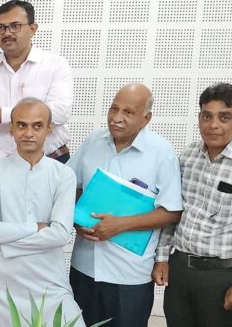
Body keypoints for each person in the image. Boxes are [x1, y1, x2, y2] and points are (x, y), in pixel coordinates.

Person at [156, 83, 232, 327]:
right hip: (180, 271)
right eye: (206, 116)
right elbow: (173, 211)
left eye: (224, 117)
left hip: (220, 276)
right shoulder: (188, 156)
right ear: (199, 118)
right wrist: (162, 257)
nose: (213, 125)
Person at [66, 83, 182, 327]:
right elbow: (69, 186)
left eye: (128, 112)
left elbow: (171, 212)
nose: (116, 118)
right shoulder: (93, 141)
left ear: (146, 119)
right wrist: (76, 220)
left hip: (129, 274)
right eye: (113, 109)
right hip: (84, 266)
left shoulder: (161, 152)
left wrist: (121, 225)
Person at [0, 98, 83, 327]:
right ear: (11, 128)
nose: (29, 133)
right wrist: (35, 227)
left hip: (49, 281)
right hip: (2, 283)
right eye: (22, 125)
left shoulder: (64, 175)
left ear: (49, 128)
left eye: (37, 126)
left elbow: (61, 234)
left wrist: (4, 243)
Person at [0, 0, 73, 163]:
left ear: (33, 29)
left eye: (15, 26)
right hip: (1, 164)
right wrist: (3, 161)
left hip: (52, 161)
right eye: (1, 28)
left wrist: (3, 115)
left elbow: (60, 112)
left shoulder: (55, 65)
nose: (7, 33)